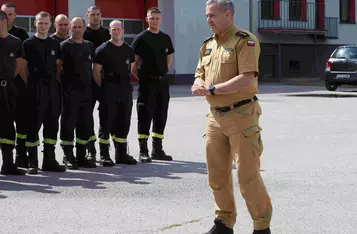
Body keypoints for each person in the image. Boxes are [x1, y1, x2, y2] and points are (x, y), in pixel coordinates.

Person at [192, 1, 273, 234]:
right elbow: (200, 74)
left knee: (248, 176)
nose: (208, 19)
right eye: (207, 15)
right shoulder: (207, 45)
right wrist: (198, 84)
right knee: (217, 176)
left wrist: (213, 89)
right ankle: (224, 223)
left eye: (212, 15)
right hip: (215, 117)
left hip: (241, 115)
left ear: (228, 14)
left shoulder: (244, 40)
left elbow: (247, 78)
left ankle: (261, 226)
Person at [22, 11, 66, 174]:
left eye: (46, 23)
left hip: (52, 88)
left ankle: (49, 160)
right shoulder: (28, 43)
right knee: (33, 125)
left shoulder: (55, 44)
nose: (43, 26)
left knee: (52, 124)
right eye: (40, 23)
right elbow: (23, 69)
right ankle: (32, 162)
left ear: (50, 24)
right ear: (35, 24)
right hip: (35, 88)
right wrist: (30, 86)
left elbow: (58, 68)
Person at [131, 7, 174, 163]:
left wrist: (160, 75)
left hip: (162, 82)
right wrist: (143, 77)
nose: (154, 21)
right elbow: (133, 64)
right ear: (147, 19)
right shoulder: (140, 38)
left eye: (157, 18)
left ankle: (157, 149)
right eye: (152, 18)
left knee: (161, 114)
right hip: (146, 82)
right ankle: (143, 150)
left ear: (160, 19)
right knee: (145, 115)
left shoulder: (166, 38)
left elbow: (168, 60)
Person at [93, 20, 137, 166]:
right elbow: (96, 73)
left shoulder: (128, 50)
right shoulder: (102, 50)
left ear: (122, 30)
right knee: (106, 122)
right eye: (113, 29)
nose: (116, 31)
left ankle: (121, 154)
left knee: (124, 122)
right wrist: (103, 89)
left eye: (118, 29)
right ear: (109, 31)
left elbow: (130, 70)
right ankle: (104, 154)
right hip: (109, 90)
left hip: (125, 90)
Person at [58, 17, 96, 169]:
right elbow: (58, 70)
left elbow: (93, 69)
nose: (77, 30)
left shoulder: (89, 45)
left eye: (79, 27)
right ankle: (68, 156)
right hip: (69, 91)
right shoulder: (64, 46)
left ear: (84, 28)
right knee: (68, 123)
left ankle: (81, 156)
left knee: (84, 124)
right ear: (70, 29)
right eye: (74, 27)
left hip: (86, 92)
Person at [1, 2, 29, 169]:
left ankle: (9, 162)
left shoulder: (17, 40)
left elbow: (21, 64)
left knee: (8, 125)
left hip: (10, 88)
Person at [83, 5, 111, 164]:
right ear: (87, 15)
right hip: (87, 82)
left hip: (104, 81)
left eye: (98, 14)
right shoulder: (83, 33)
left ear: (101, 15)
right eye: (92, 14)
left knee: (106, 116)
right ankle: (90, 149)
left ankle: (104, 151)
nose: (95, 17)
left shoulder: (106, 33)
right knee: (87, 117)